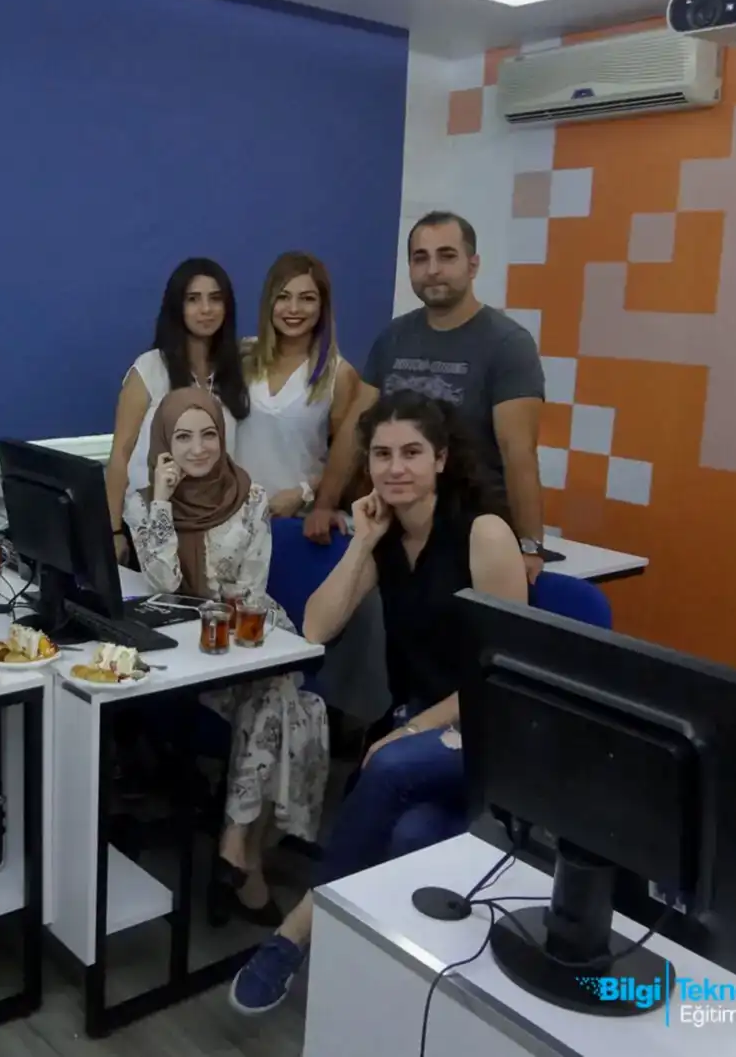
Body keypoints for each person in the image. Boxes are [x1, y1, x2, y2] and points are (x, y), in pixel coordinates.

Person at [228, 390, 528, 1015]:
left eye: (412, 453)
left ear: (441, 459)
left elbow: (504, 676)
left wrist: (413, 730)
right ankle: (387, 986)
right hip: (420, 732)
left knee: (387, 763)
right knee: (413, 833)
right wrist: (362, 542)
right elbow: (316, 627)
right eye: (382, 455)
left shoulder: (483, 533)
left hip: (494, 729)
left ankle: (294, 935)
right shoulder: (386, 535)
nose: (396, 468)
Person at [123, 388, 329, 926]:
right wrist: (164, 502)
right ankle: (244, 860)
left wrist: (216, 611)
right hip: (192, 652)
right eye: (183, 437)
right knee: (296, 708)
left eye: (209, 434)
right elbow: (164, 582)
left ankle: (238, 848)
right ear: (165, 445)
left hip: (248, 640)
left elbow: (250, 591)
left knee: (276, 695)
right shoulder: (144, 504)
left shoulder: (251, 497)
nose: (198, 448)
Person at [303, 212, 547, 582]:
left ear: (473, 265)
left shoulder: (508, 344)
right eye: (421, 258)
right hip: (397, 531)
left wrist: (529, 545)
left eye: (447, 256)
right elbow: (357, 427)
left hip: (472, 537)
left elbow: (519, 453)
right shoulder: (393, 337)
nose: (432, 270)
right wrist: (324, 504)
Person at [107, 259, 251, 564]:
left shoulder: (236, 373)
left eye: (215, 298)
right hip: (148, 524)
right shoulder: (150, 369)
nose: (206, 309)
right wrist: (114, 530)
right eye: (193, 299)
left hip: (214, 529)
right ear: (177, 307)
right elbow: (120, 453)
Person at [236, 252, 363, 518]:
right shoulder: (243, 356)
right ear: (269, 302)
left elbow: (348, 462)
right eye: (283, 297)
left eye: (307, 298)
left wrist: (304, 492)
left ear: (322, 306)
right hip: (233, 518)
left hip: (294, 520)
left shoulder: (338, 375)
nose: (294, 309)